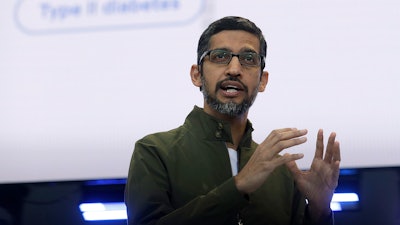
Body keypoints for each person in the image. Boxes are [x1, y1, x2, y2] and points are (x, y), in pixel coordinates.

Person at [124, 16, 341, 225]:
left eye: (249, 59)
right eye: (219, 56)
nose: (234, 70)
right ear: (196, 75)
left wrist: (319, 210)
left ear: (262, 81)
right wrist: (238, 187)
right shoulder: (154, 152)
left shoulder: (281, 171)